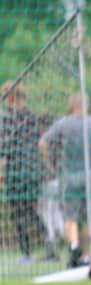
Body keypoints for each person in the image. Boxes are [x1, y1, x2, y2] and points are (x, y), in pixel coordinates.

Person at [38, 92, 91, 267]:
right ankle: (86, 256)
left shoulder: (63, 123)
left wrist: (49, 166)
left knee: (69, 216)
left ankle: (74, 245)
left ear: (71, 105)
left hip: (69, 175)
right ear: (87, 105)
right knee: (89, 217)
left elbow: (42, 143)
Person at [1, 80, 50, 263]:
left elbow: (3, 153)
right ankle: (50, 244)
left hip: (16, 173)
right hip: (33, 171)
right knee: (33, 211)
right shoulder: (32, 117)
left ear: (11, 98)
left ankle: (27, 252)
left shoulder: (7, 120)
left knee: (18, 213)